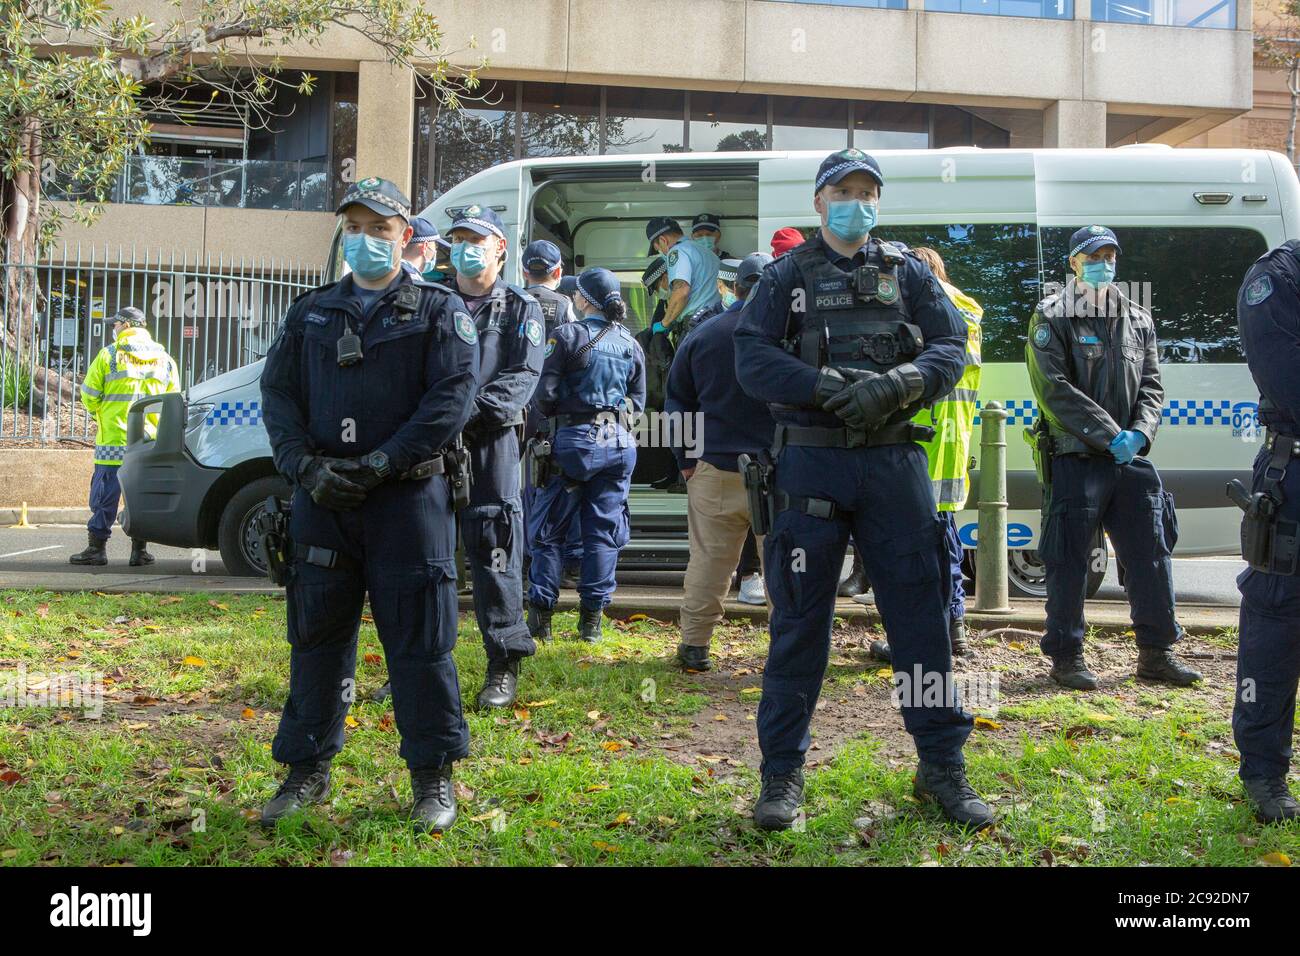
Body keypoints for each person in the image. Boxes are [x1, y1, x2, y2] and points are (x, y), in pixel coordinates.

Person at [734, 148, 992, 831]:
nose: (856, 201)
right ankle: (781, 775)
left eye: (867, 191)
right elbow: (751, 357)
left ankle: (942, 767)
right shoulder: (785, 277)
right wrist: (822, 387)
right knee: (798, 629)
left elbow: (952, 345)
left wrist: (897, 385)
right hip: (811, 467)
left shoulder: (907, 272)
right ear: (819, 201)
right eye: (842, 190)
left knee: (922, 625)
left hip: (893, 465)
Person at [258, 176, 479, 832]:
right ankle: (306, 770)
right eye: (353, 228)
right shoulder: (311, 312)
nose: (365, 240)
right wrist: (304, 468)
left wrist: (385, 462)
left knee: (421, 643)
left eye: (379, 229)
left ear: (405, 236)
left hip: (406, 503)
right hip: (324, 501)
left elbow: (452, 398)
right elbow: (279, 397)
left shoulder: (440, 311)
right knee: (317, 640)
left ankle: (431, 778)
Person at [1026, 225, 1200, 691]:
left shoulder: (1139, 319)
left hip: (1130, 462)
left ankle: (1157, 653)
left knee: (1151, 553)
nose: (1104, 262)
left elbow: (1153, 386)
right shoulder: (1052, 316)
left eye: (1110, 255)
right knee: (1069, 560)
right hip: (1075, 456)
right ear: (1074, 264)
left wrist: (1140, 434)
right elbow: (1053, 390)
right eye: (1093, 255)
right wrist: (1109, 435)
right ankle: (1066, 657)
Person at [448, 205, 545, 710]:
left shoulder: (521, 309)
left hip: (490, 445)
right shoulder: (431, 302)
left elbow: (519, 383)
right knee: (425, 558)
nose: (465, 246)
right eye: (458, 237)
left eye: (476, 238)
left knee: (495, 552)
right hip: (431, 447)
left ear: (499, 247)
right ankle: (418, 665)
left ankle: (502, 664)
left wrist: (452, 416)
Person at [869, 246, 981, 662]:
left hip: (916, 441)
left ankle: (923, 639)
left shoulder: (919, 310)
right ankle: (955, 630)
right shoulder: (968, 310)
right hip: (952, 444)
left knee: (913, 553)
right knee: (945, 540)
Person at [667, 252, 776, 671]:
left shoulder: (704, 334)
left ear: (736, 287)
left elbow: (677, 404)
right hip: (779, 474)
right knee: (784, 567)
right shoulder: (788, 337)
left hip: (715, 469)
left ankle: (694, 647)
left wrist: (687, 460)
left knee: (709, 563)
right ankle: (787, 650)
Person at [526, 267, 646, 643]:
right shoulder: (630, 342)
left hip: (572, 444)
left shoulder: (565, 335)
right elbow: (638, 403)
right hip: (618, 445)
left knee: (548, 534)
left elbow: (542, 395)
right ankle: (591, 622)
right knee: (603, 534)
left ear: (582, 299)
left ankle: (540, 621)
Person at [1231, 242, 1300, 822]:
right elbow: (1289, 380)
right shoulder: (1275, 277)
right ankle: (1263, 772)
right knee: (1276, 623)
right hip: (1294, 474)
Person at [71, 306, 179, 567]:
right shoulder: (165, 359)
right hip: (148, 442)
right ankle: (139, 551)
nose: (113, 328)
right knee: (140, 497)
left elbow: (88, 394)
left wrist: (100, 412)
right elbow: (173, 398)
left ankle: (96, 549)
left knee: (105, 496)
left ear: (126, 325)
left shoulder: (109, 355)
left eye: (115, 324)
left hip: (113, 441)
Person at [521, 239, 583, 587]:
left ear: (525, 271)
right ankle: (568, 559)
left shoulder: (511, 300)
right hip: (554, 411)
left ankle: (528, 555)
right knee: (562, 484)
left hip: (516, 409)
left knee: (524, 486)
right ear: (558, 272)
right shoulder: (565, 306)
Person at [646, 216, 721, 342]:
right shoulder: (703, 251)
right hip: (715, 322)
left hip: (699, 326)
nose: (661, 252)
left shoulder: (677, 251)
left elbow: (681, 291)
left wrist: (665, 323)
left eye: (658, 248)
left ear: (663, 240)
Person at [400, 217, 450, 282]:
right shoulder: (413, 281)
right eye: (436, 246)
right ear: (425, 247)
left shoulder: (389, 275)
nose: (436, 251)